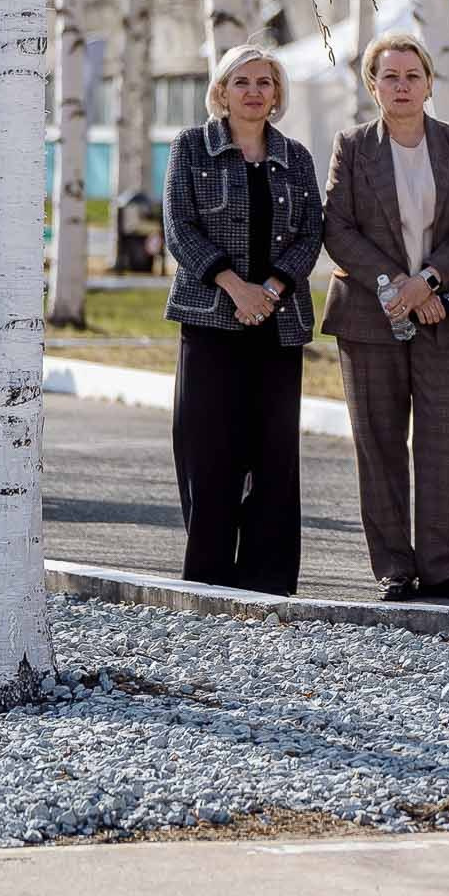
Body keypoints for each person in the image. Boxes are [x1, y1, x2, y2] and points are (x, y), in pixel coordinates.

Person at [322, 32, 449, 603]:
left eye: (412, 75)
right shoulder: (352, 146)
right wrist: (398, 284)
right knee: (378, 442)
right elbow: (337, 228)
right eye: (390, 76)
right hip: (368, 317)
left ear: (429, 84)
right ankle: (394, 567)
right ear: (373, 86)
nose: (401, 86)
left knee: (448, 439)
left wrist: (428, 281)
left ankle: (442, 566)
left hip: (443, 310)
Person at [161, 44, 323, 594]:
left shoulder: (296, 156)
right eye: (242, 82)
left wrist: (271, 290)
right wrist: (235, 287)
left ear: (277, 94)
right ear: (221, 91)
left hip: (279, 323)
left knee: (274, 454)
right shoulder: (190, 147)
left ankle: (268, 581)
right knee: (208, 451)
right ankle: (207, 578)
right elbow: (179, 228)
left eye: (264, 82)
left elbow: (311, 233)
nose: (254, 92)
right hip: (211, 320)